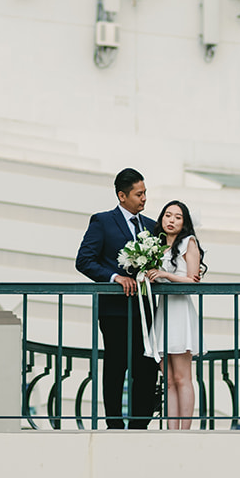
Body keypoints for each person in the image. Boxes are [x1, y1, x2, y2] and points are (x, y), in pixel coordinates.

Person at [74, 167, 160, 429]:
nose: (144, 198)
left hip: (146, 311)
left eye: (145, 193)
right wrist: (114, 278)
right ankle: (113, 424)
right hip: (115, 311)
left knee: (146, 368)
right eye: (139, 194)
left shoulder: (152, 226)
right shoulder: (102, 221)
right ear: (122, 196)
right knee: (115, 367)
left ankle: (139, 425)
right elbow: (84, 261)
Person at [145, 199, 206, 429]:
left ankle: (185, 429)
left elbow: (192, 281)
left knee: (182, 377)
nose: (171, 220)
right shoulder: (155, 245)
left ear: (184, 222)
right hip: (163, 311)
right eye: (168, 215)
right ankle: (172, 429)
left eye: (178, 217)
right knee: (168, 380)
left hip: (180, 311)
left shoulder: (188, 243)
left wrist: (167, 275)